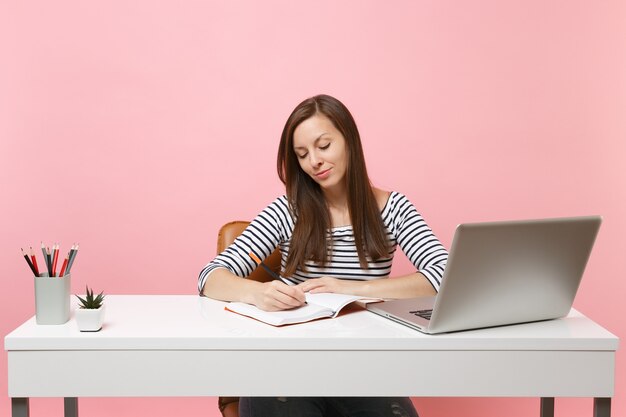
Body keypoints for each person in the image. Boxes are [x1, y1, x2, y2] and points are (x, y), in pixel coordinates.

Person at [198, 94, 448, 417]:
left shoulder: (394, 209)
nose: (314, 161)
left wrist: (349, 289)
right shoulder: (288, 211)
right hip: (286, 370)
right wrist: (258, 293)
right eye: (302, 154)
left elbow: (442, 276)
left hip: (364, 375)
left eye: (324, 145)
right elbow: (210, 276)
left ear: (349, 141)